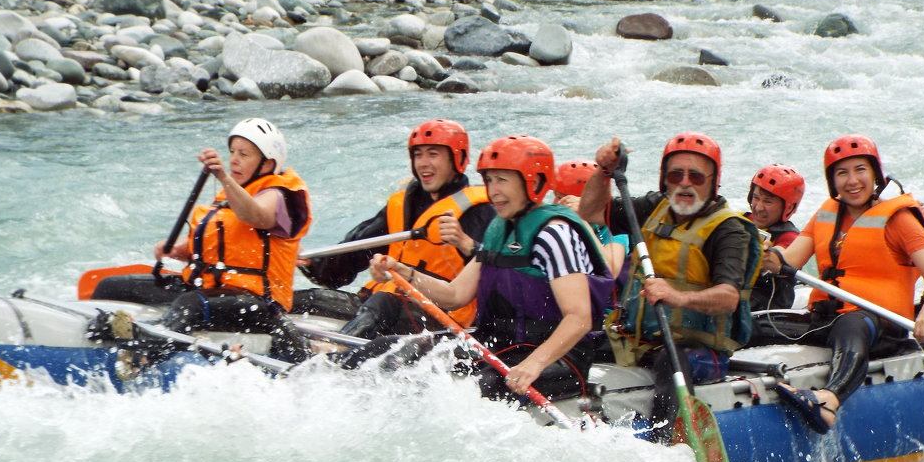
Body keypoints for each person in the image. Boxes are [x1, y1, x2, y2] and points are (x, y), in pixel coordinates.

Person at [364, 135, 615, 402]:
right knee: (386, 349)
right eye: (490, 180)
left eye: (502, 180)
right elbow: (455, 295)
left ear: (535, 182)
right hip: (498, 345)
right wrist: (402, 271)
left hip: (560, 357)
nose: (493, 191)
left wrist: (534, 364)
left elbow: (579, 318)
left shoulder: (555, 234)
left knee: (477, 387)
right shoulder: (499, 229)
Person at [761, 134, 924, 432]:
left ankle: (829, 400)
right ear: (832, 180)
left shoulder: (899, 219)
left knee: (853, 324)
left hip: (879, 325)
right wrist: (766, 255)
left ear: (875, 173)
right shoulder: (826, 213)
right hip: (828, 319)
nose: (852, 181)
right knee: (760, 325)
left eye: (860, 170)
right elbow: (789, 260)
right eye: (842, 173)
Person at [579, 132, 763, 441]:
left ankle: (666, 440)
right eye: (676, 175)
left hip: (701, 350)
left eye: (696, 176)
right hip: (640, 341)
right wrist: (604, 171)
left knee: (671, 358)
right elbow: (590, 212)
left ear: (714, 181)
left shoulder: (730, 230)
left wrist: (676, 296)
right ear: (665, 179)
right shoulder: (655, 206)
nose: (685, 183)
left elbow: (728, 297)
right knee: (582, 342)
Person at [90, 117, 312, 370]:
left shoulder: (280, 195)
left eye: (244, 154)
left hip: (257, 302)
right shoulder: (228, 197)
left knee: (192, 304)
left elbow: (255, 216)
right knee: (112, 287)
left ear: (268, 163)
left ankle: (143, 358)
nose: (234, 159)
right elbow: (218, 247)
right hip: (207, 287)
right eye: (232, 152)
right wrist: (178, 249)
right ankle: (93, 337)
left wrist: (223, 178)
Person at [300, 119, 493, 339]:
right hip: (382, 303)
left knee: (383, 303)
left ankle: (333, 357)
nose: (423, 163)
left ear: (457, 158)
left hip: (443, 316)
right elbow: (353, 252)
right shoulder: (403, 203)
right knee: (306, 300)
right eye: (418, 155)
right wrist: (311, 263)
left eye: (433, 154)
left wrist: (467, 245)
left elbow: (497, 273)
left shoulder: (480, 211)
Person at [553, 159, 628, 278]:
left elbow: (611, 270)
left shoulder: (615, 227)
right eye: (555, 196)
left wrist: (581, 219)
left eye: (561, 197)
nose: (555, 203)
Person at [745, 164, 804, 312]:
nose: (758, 207)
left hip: (765, 310)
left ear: (789, 208)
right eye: (756, 198)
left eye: (768, 201)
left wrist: (770, 255)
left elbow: (782, 254)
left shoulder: (791, 238)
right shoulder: (740, 219)